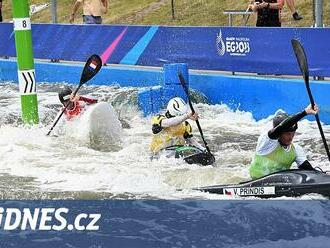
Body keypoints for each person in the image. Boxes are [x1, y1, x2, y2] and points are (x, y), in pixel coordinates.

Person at [249, 104, 319, 179]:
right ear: (279, 133)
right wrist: (304, 112)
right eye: (287, 134)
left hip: (279, 184)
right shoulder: (266, 143)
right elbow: (282, 127)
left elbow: (308, 170)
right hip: (255, 183)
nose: (291, 137)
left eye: (293, 133)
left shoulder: (296, 150)